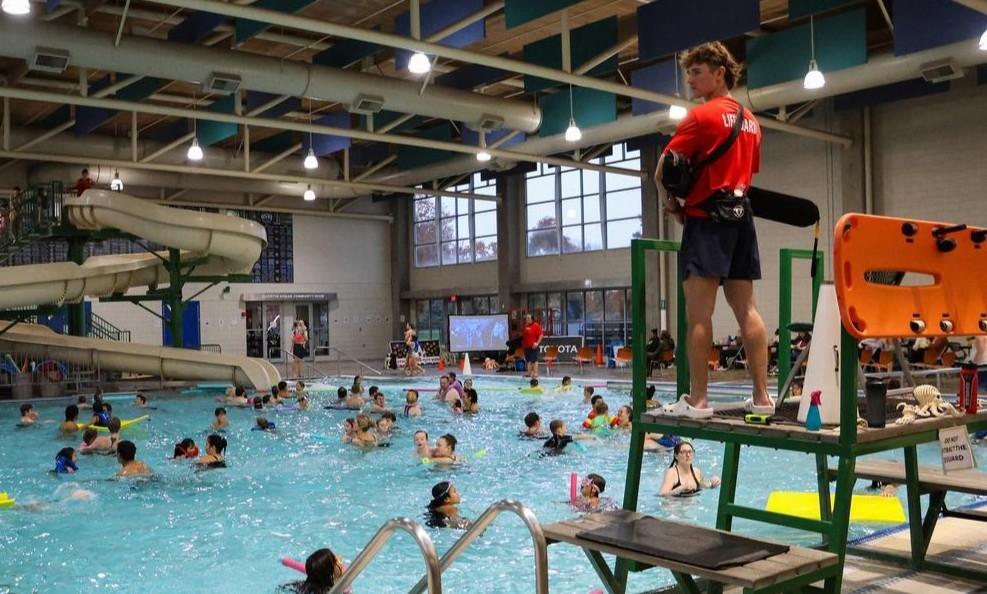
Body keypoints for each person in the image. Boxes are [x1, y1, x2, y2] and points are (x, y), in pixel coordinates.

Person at [655, 42, 769, 419]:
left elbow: (662, 171)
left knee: (699, 317)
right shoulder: (751, 122)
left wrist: (674, 207)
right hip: (741, 218)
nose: (690, 80)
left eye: (696, 72)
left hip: (706, 220)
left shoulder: (700, 117)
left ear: (720, 73)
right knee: (747, 309)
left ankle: (699, 400)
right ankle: (762, 398)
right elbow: (747, 173)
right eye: (688, 73)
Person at [278, 547, 347, 594]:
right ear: (330, 571)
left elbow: (289, 562)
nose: (339, 558)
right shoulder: (336, 591)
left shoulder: (314, 574)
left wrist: (284, 560)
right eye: (335, 560)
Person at [520, 313, 544, 379]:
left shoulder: (536, 325)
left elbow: (541, 335)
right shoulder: (525, 326)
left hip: (533, 346)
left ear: (532, 319)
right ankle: (529, 373)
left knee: (534, 360)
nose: (527, 319)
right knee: (528, 360)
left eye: (528, 318)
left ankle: (535, 373)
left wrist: (537, 343)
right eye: (526, 318)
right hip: (526, 346)